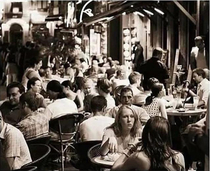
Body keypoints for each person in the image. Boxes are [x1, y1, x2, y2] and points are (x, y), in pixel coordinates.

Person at [112, 116, 185, 171]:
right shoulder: (178, 157)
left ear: (146, 134)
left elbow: (115, 169)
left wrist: (130, 148)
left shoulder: (140, 158)